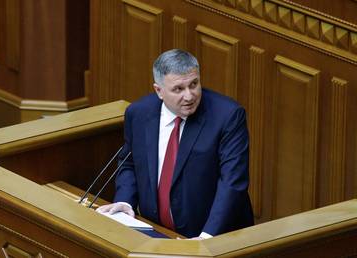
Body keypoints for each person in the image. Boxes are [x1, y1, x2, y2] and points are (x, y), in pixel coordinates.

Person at [96, 49, 253, 239]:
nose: (189, 96)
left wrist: (207, 239)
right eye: (178, 89)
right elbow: (129, 162)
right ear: (158, 91)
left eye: (194, 84)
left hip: (212, 237)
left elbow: (232, 182)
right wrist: (125, 201)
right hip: (156, 233)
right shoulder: (138, 113)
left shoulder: (227, 116)